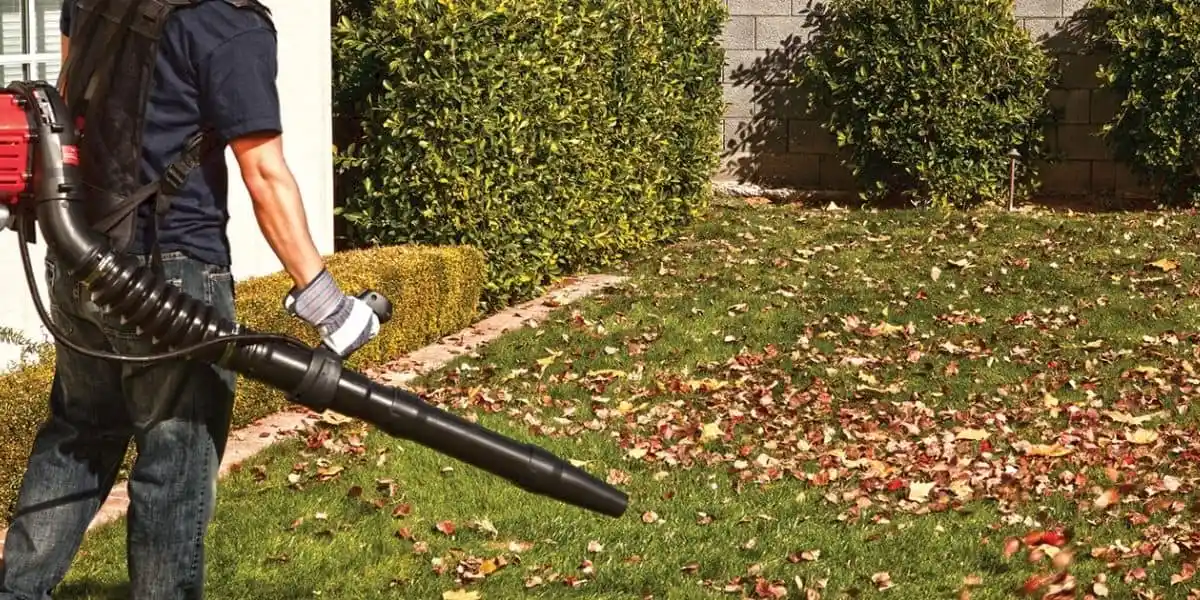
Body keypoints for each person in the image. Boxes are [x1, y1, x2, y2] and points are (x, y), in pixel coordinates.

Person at [0, 0, 379, 598]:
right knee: (173, 466)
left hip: (79, 261)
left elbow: (65, 102)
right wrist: (327, 301)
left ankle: (17, 589)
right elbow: (265, 175)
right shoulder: (229, 25)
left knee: (77, 437)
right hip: (170, 274)